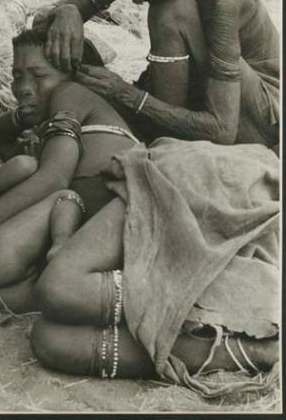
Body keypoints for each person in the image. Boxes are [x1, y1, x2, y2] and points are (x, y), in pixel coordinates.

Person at [29, 138, 280, 394]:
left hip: (224, 180)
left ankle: (249, 352)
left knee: (51, 337)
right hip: (204, 170)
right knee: (53, 306)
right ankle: (184, 319)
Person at [33, 0, 279, 150]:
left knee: (170, 11)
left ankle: (157, 129)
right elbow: (40, 25)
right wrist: (68, 12)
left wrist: (127, 95)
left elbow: (222, 130)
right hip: (207, 94)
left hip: (261, 115)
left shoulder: (221, 0)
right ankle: (157, 120)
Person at [0, 29, 140, 312]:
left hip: (125, 209)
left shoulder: (70, 93)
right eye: (16, 76)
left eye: (38, 76)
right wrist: (25, 114)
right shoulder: (50, 124)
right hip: (98, 229)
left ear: (71, 75)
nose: (23, 87)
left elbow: (53, 178)